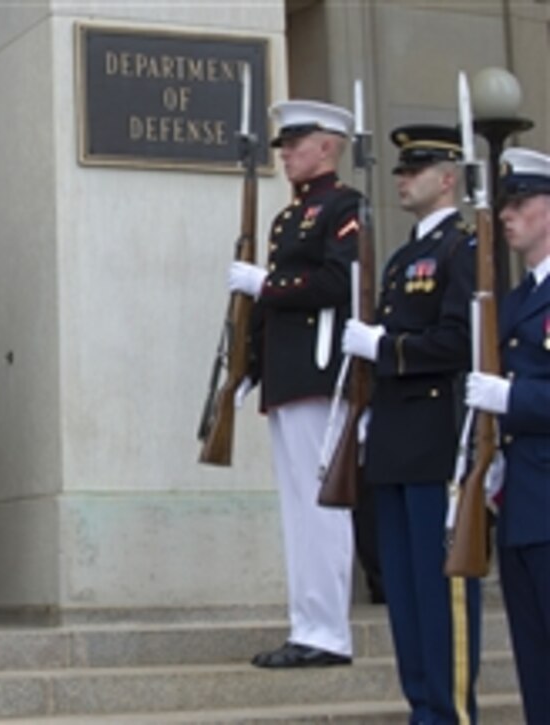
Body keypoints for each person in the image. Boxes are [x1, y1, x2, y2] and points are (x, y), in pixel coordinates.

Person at [342, 125, 479, 723]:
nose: (402, 178)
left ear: (447, 178)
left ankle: (447, 712)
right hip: (395, 440)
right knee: (403, 592)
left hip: (435, 441)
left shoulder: (463, 250)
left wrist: (385, 345)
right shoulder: (402, 259)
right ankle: (421, 706)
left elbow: (458, 340)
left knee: (440, 591)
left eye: (414, 169)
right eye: (400, 169)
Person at [227, 100, 360, 667]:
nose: (284, 154)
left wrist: (267, 282)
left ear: (328, 145)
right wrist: (248, 366)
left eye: (295, 143)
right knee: (297, 509)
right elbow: (268, 310)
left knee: (321, 506)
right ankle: (307, 624)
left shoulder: (345, 207)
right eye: (282, 144)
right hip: (286, 375)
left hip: (318, 372)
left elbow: (337, 280)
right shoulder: (288, 218)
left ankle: (329, 631)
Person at [464, 146, 550, 725]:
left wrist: (509, 399)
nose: (507, 215)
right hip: (521, 501)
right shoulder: (516, 301)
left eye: (520, 203)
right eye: (505, 205)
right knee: (534, 665)